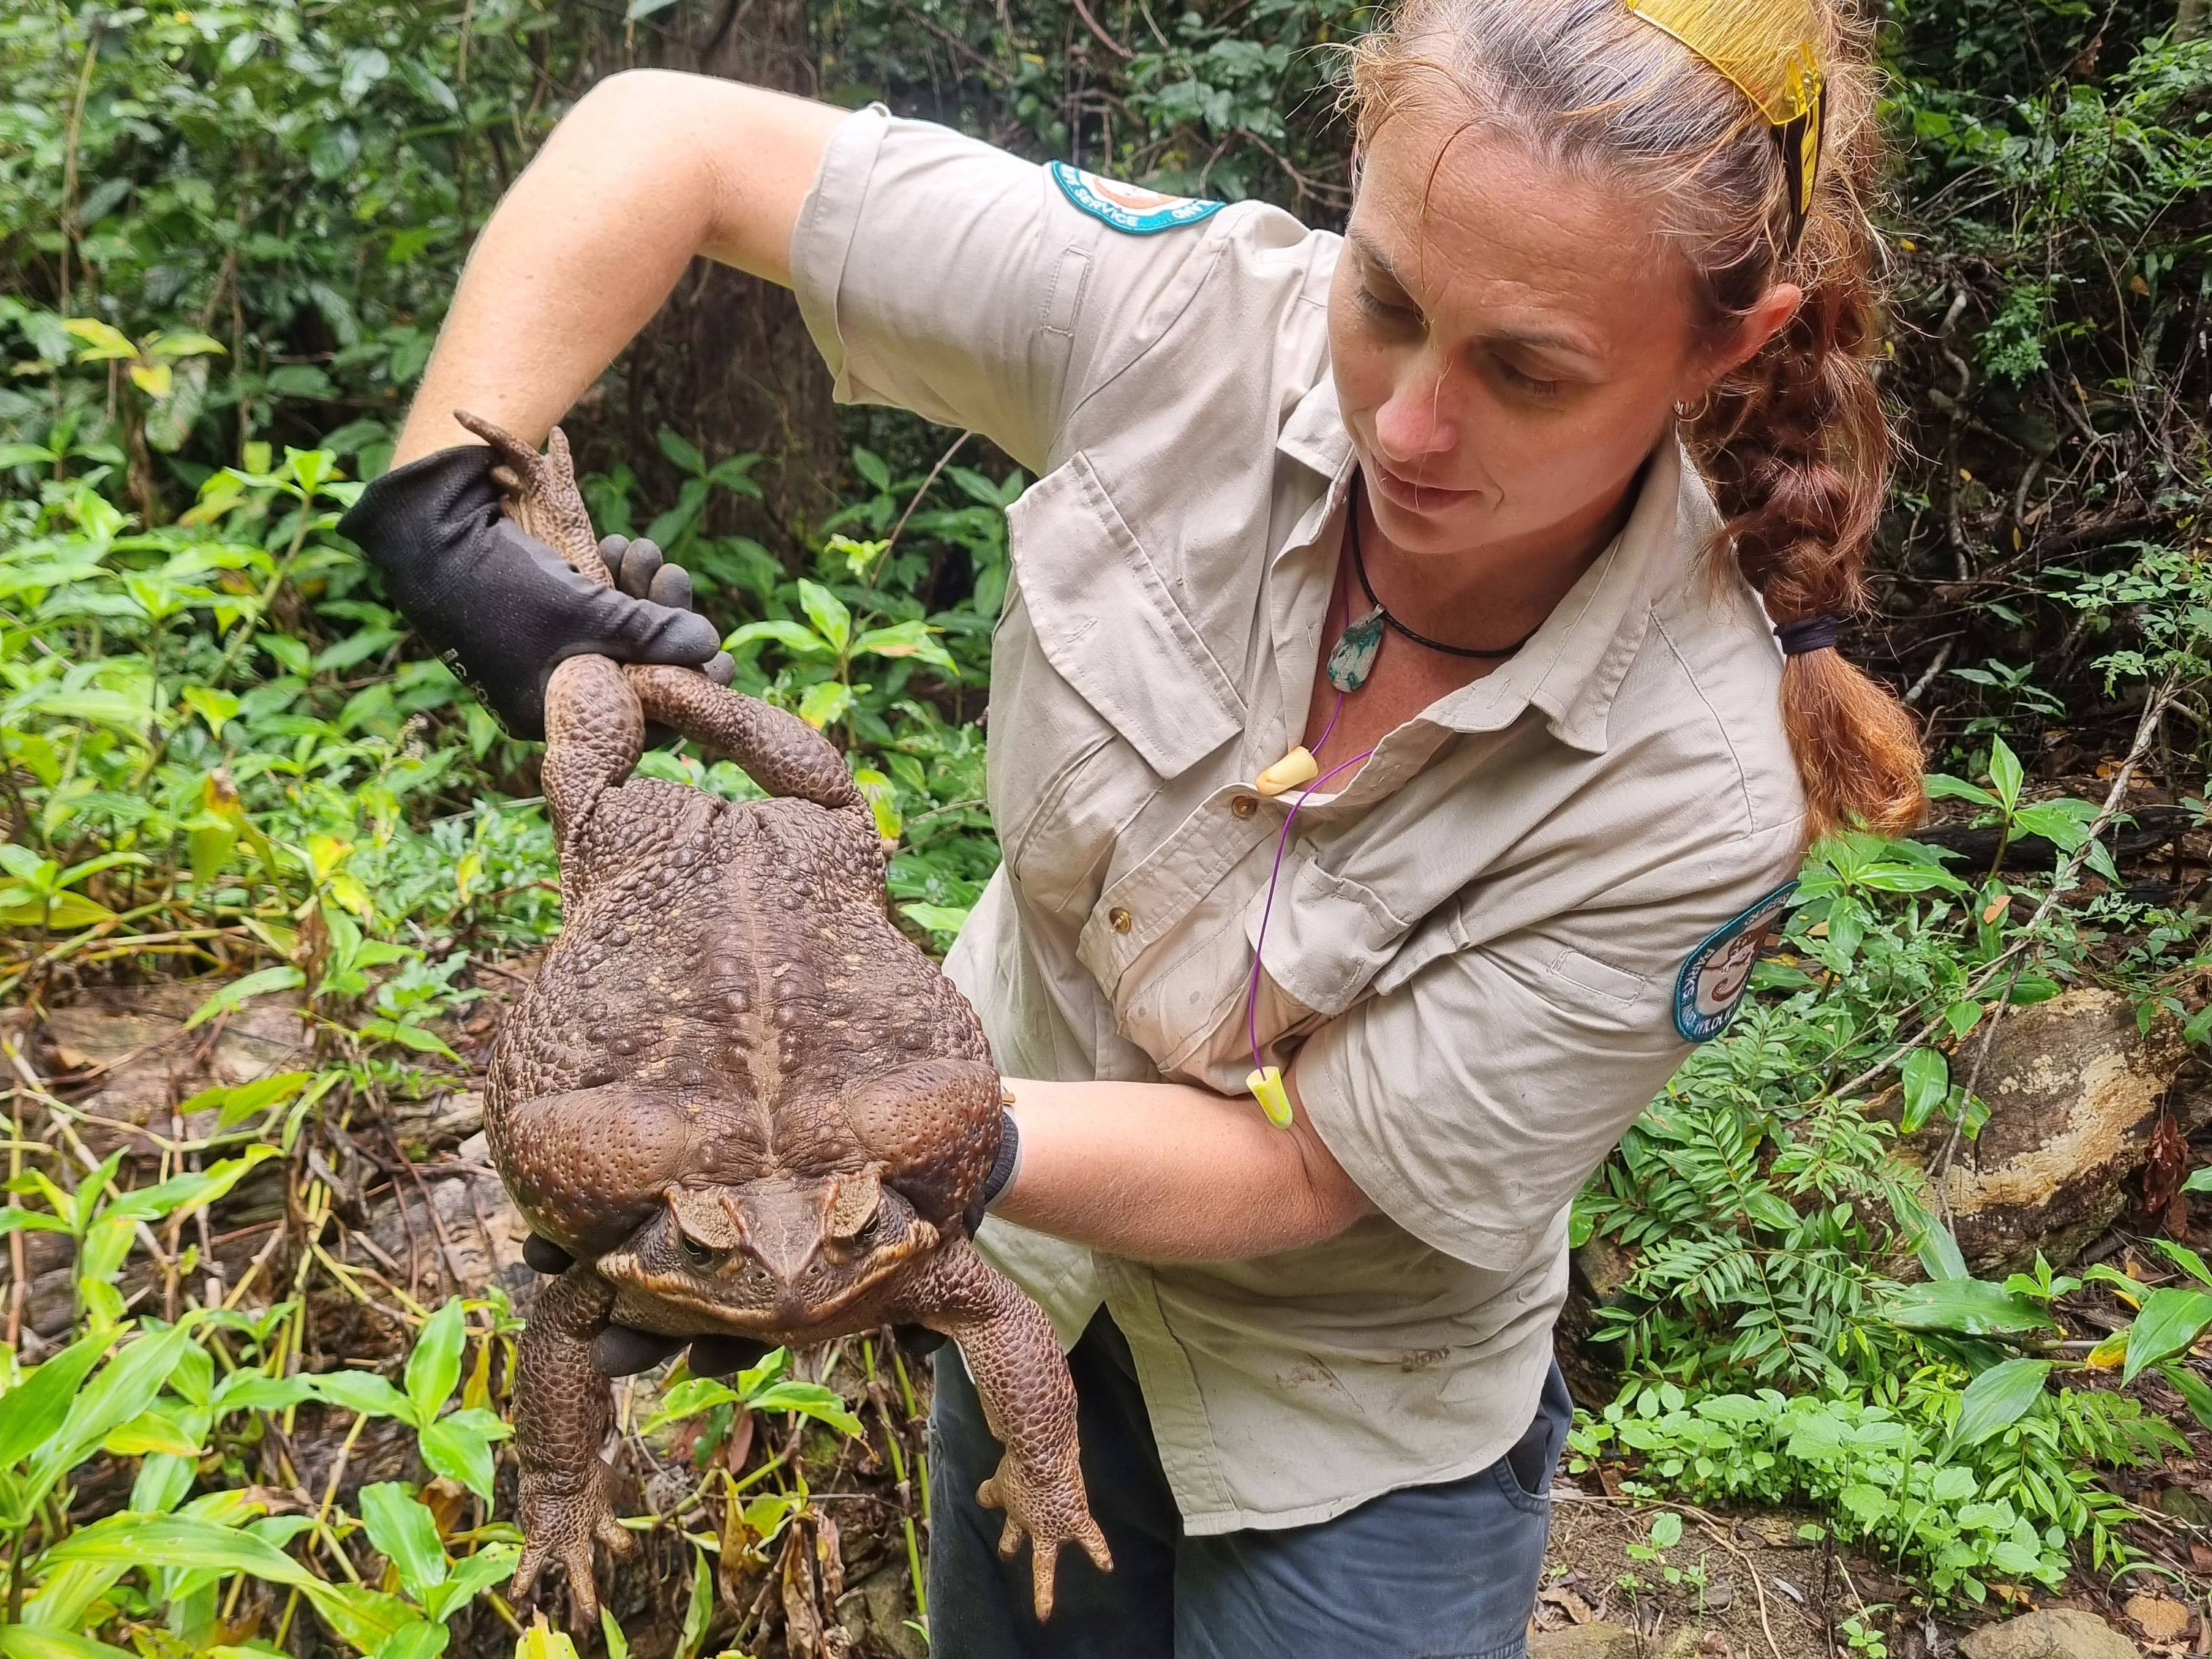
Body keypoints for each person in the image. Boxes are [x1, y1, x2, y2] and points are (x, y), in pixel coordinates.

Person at [339, 0, 1927, 1644]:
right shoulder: (1189, 322)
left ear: (1726, 347)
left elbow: (1313, 1168)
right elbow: (668, 140)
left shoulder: (1702, 780)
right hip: (1024, 1296)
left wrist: (875, 1154)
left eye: (1526, 369)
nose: (1406, 422)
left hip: (1346, 1418)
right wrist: (449, 527)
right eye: (1382, 297)